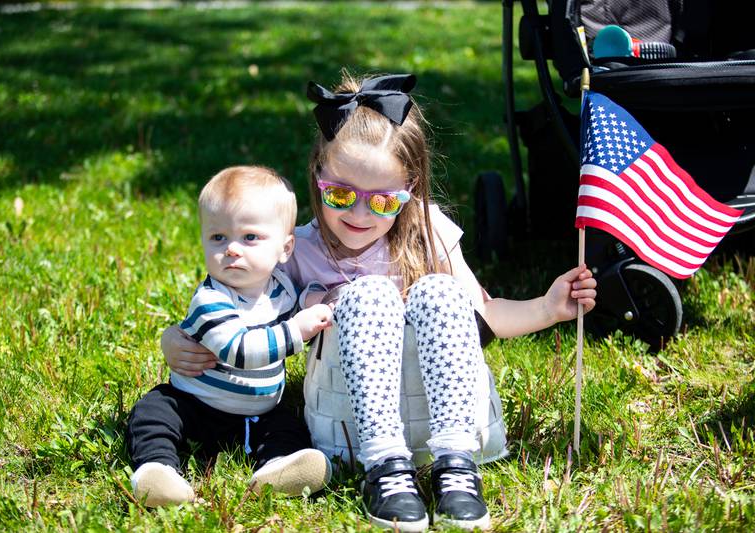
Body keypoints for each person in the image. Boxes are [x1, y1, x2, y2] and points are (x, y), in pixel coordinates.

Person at [162, 74, 597, 531]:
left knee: (442, 291)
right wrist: (175, 336)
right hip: (350, 428)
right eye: (342, 195)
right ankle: (385, 466)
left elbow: (482, 316)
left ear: (410, 187)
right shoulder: (298, 250)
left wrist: (547, 308)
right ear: (318, 174)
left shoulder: (429, 233)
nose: (359, 215)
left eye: (384, 201)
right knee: (367, 295)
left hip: (439, 413)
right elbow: (231, 306)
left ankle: (456, 463)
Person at [126, 165, 335, 507]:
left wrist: (317, 299)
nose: (233, 249)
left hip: (258, 413)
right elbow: (239, 350)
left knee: (287, 425)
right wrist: (297, 330)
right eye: (218, 238)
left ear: (285, 249)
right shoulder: (211, 300)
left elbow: (306, 296)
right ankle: (157, 470)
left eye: (250, 237)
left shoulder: (281, 289)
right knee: (155, 410)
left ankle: (277, 468)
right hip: (196, 406)